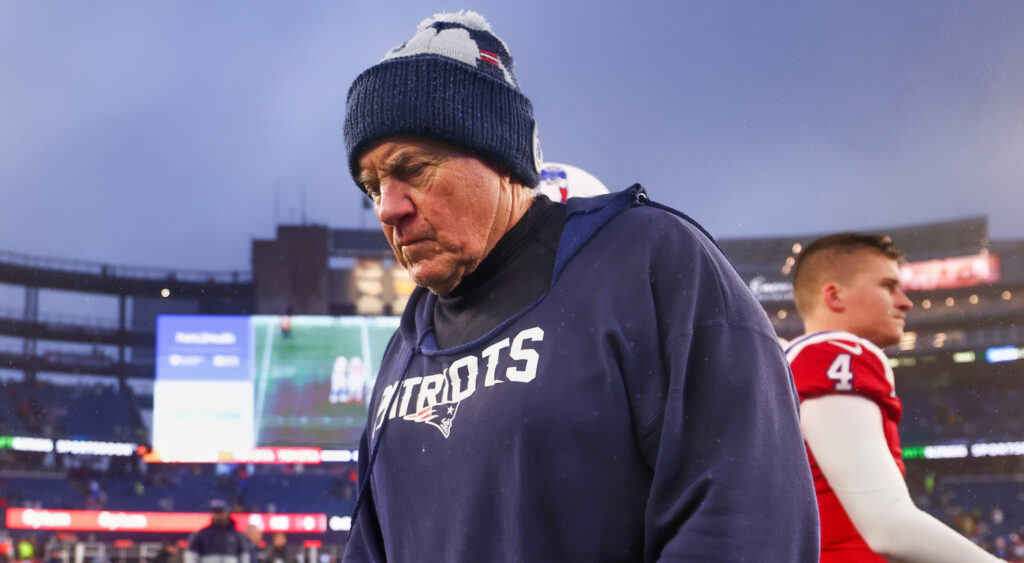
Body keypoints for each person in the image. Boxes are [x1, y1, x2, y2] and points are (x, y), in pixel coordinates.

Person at [340, 9, 819, 562]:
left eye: (414, 169)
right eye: (372, 186)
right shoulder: (410, 340)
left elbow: (743, 517)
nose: (388, 209)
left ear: (500, 156)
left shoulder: (645, 261)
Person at [787, 233, 1002, 562]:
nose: (905, 301)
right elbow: (890, 526)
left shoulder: (792, 361)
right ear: (834, 295)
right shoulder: (836, 354)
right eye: (888, 286)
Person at [184, 500, 250, 563]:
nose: (218, 516)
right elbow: (191, 557)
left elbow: (244, 556)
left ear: (227, 513)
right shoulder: (202, 535)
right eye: (216, 512)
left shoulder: (236, 535)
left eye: (221, 512)